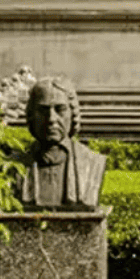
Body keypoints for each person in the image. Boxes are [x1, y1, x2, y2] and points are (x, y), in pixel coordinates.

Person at [16, 76, 106, 209]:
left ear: (72, 113)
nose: (51, 119)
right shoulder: (15, 166)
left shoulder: (92, 164)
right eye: (42, 110)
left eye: (60, 109)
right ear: (31, 115)